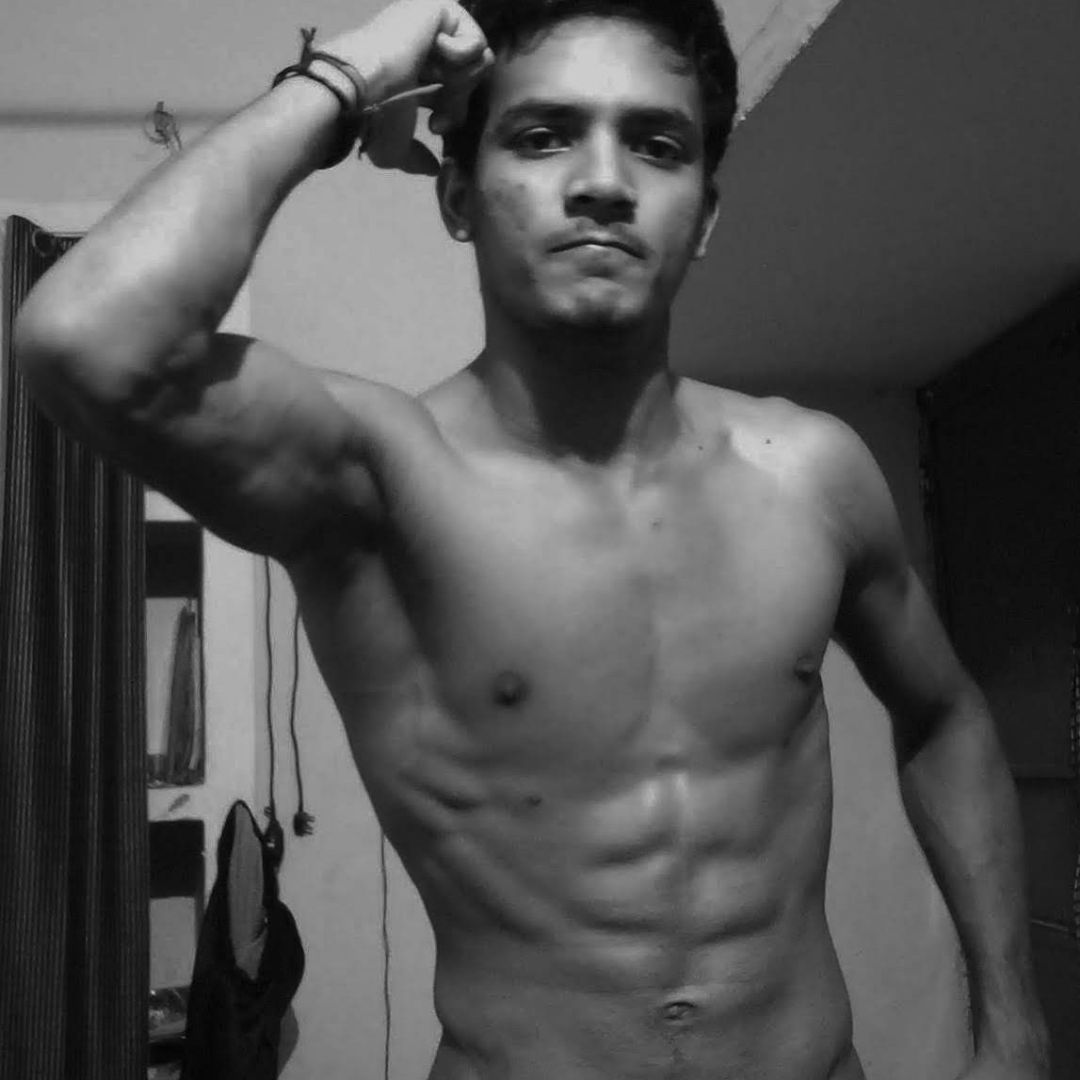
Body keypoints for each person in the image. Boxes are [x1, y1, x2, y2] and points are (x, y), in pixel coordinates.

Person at [14, 1, 1050, 1077]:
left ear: (703, 216)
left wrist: (1013, 1027)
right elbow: (84, 338)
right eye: (543, 135)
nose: (603, 181)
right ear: (458, 197)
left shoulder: (813, 473)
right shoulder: (376, 482)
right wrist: (347, 78)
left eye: (657, 145)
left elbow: (946, 716)